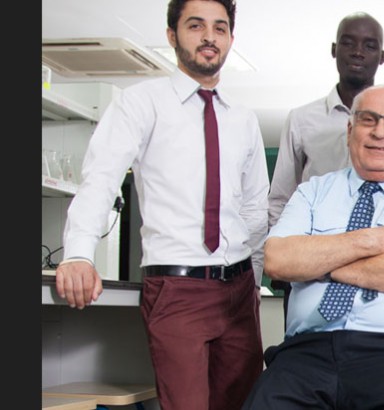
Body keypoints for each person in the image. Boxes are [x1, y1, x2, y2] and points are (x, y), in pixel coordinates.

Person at [54, 0, 269, 408]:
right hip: (177, 288)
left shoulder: (244, 119)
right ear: (172, 35)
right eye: (196, 25)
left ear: (230, 39)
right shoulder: (140, 103)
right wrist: (79, 254)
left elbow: (256, 209)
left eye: (220, 28)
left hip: (240, 290)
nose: (209, 37)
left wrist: (254, 283)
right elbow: (100, 180)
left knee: (242, 404)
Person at [243, 84, 384, 409]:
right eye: (368, 120)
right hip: (306, 355)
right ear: (349, 130)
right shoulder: (311, 192)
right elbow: (277, 259)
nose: (380, 132)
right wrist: (373, 240)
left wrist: (319, 260)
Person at [266, 12, 384, 318]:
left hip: (381, 268)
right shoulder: (301, 120)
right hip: (310, 270)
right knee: (304, 355)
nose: (358, 52)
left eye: (369, 45)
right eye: (348, 43)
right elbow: (280, 199)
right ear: (334, 49)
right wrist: (287, 265)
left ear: (382, 56)